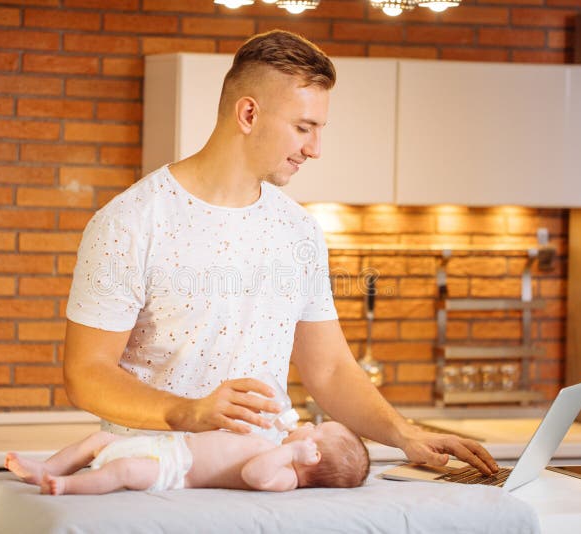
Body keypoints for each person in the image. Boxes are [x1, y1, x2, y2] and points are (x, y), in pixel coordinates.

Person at [63, 29, 499, 476]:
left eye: (318, 130)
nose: (315, 149)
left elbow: (328, 370)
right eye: (303, 128)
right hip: (152, 485)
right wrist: (188, 411)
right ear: (249, 113)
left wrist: (406, 433)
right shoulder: (132, 222)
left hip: (263, 484)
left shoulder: (298, 229)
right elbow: (86, 373)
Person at [5, 421, 369, 494]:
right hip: (168, 445)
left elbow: (253, 474)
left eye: (314, 429)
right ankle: (46, 468)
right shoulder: (277, 448)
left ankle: (66, 484)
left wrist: (288, 449)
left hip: (175, 471)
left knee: (126, 470)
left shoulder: (285, 476)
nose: (306, 424)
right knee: (100, 439)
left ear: (313, 454)